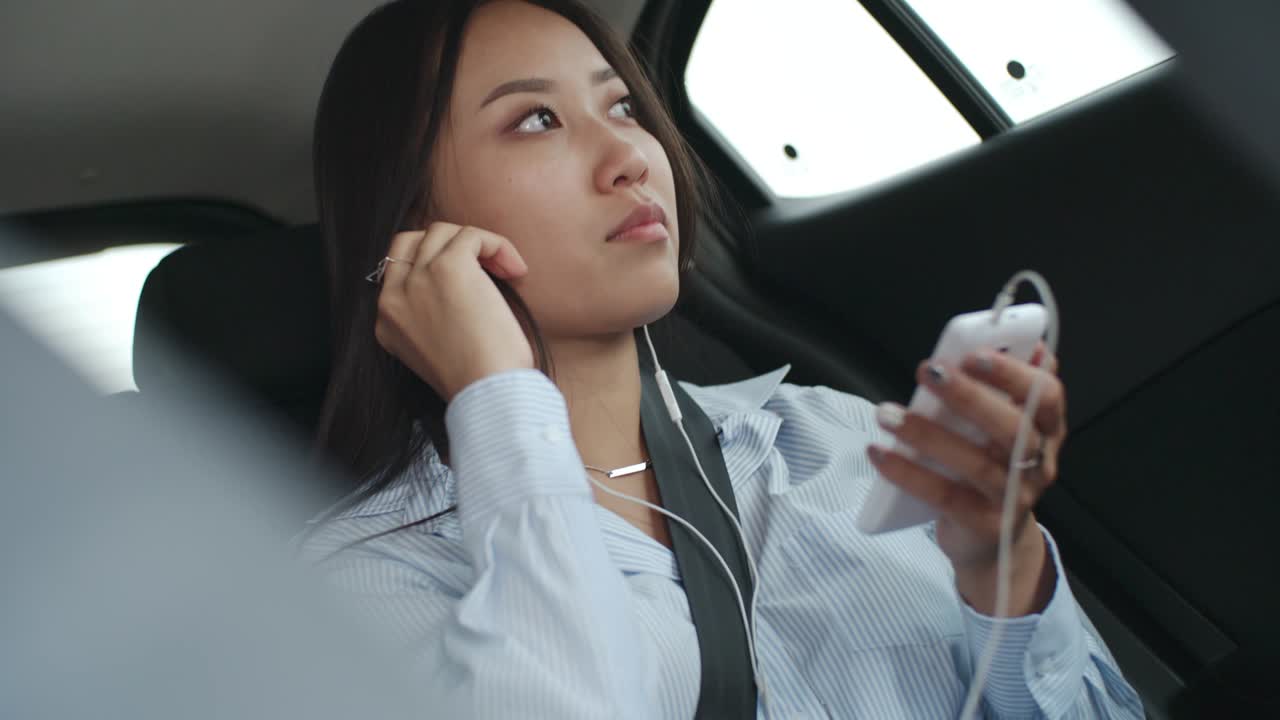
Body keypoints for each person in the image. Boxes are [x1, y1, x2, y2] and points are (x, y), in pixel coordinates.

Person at [298, 1, 1143, 717]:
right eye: (537, 120)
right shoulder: (363, 579)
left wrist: (1000, 562)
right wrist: (498, 397)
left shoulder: (836, 439)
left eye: (622, 106)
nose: (630, 158)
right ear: (415, 225)